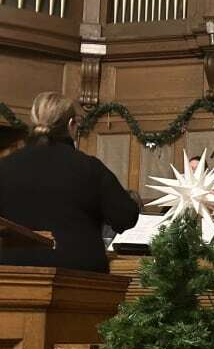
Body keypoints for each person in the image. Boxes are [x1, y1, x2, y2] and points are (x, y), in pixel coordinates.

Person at [0, 92, 138, 273]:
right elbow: (125, 216)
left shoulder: (4, 166)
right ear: (71, 125)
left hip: (12, 270)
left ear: (34, 122)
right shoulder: (89, 168)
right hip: (78, 270)